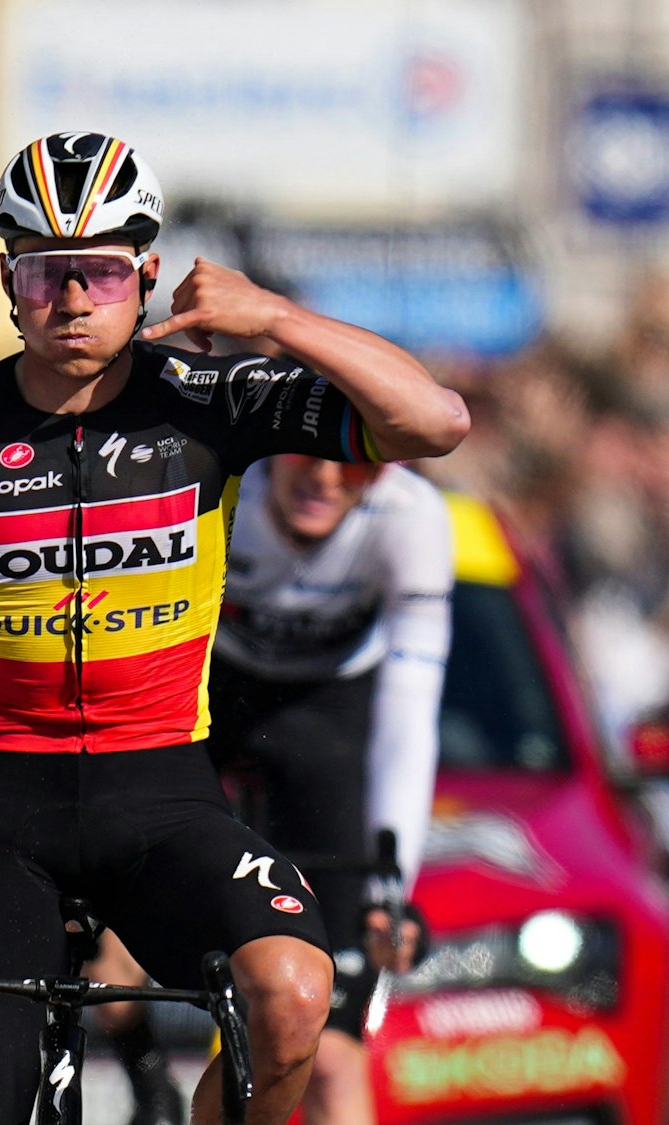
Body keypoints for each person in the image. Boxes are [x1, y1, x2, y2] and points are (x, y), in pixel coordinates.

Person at [0, 131, 469, 1125]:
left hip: (160, 797)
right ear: (6, 279)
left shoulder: (208, 405)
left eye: (101, 274)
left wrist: (274, 320)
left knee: (290, 996)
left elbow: (434, 422)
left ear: (147, 276)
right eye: (44, 274)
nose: (72, 302)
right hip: (0, 815)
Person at [95, 453, 454, 1125]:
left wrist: (389, 887)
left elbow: (409, 712)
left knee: (336, 1058)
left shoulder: (414, 517)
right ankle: (149, 1081)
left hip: (329, 713)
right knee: (108, 967)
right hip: (200, 691)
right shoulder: (221, 479)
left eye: (355, 470)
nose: (324, 478)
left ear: (383, 476)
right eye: (304, 458)